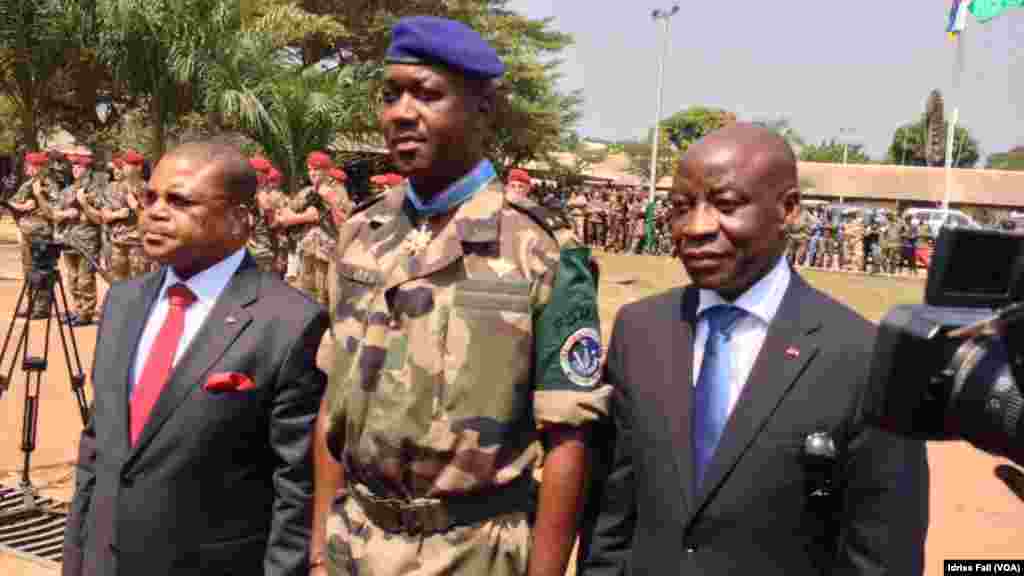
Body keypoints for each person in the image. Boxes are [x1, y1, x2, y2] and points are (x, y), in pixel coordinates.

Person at [311, 16, 607, 576]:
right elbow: (333, 399)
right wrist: (321, 551)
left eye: (427, 94)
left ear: (482, 111)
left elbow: (568, 436)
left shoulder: (541, 249)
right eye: (391, 93)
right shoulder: (360, 233)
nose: (401, 112)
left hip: (474, 553)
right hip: (355, 541)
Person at [579, 123, 929, 575]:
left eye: (726, 206)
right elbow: (611, 513)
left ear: (788, 209)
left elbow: (883, 555)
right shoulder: (639, 331)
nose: (695, 228)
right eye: (681, 208)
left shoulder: (866, 359)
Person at [61, 141, 329, 576]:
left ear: (240, 220)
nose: (155, 212)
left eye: (180, 201)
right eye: (150, 197)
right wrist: (75, 561)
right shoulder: (123, 302)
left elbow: (294, 487)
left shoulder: (289, 322)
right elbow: (98, 448)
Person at [53, 151, 105, 326]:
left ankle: (86, 313)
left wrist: (83, 204)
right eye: (73, 166)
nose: (75, 169)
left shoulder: (96, 190)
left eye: (79, 166)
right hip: (69, 240)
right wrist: (66, 213)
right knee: (72, 278)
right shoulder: (68, 190)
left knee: (85, 278)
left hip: (87, 241)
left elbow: (99, 218)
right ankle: (77, 309)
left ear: (88, 169)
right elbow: (55, 213)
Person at [10, 152, 59, 318]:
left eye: (30, 165)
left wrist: (38, 197)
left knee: (42, 270)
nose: (27, 168)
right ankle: (31, 303)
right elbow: (13, 203)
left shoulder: (49, 185)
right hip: (26, 234)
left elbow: (52, 212)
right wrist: (23, 206)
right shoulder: (26, 185)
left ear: (39, 168)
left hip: (42, 234)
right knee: (28, 270)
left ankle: (42, 307)